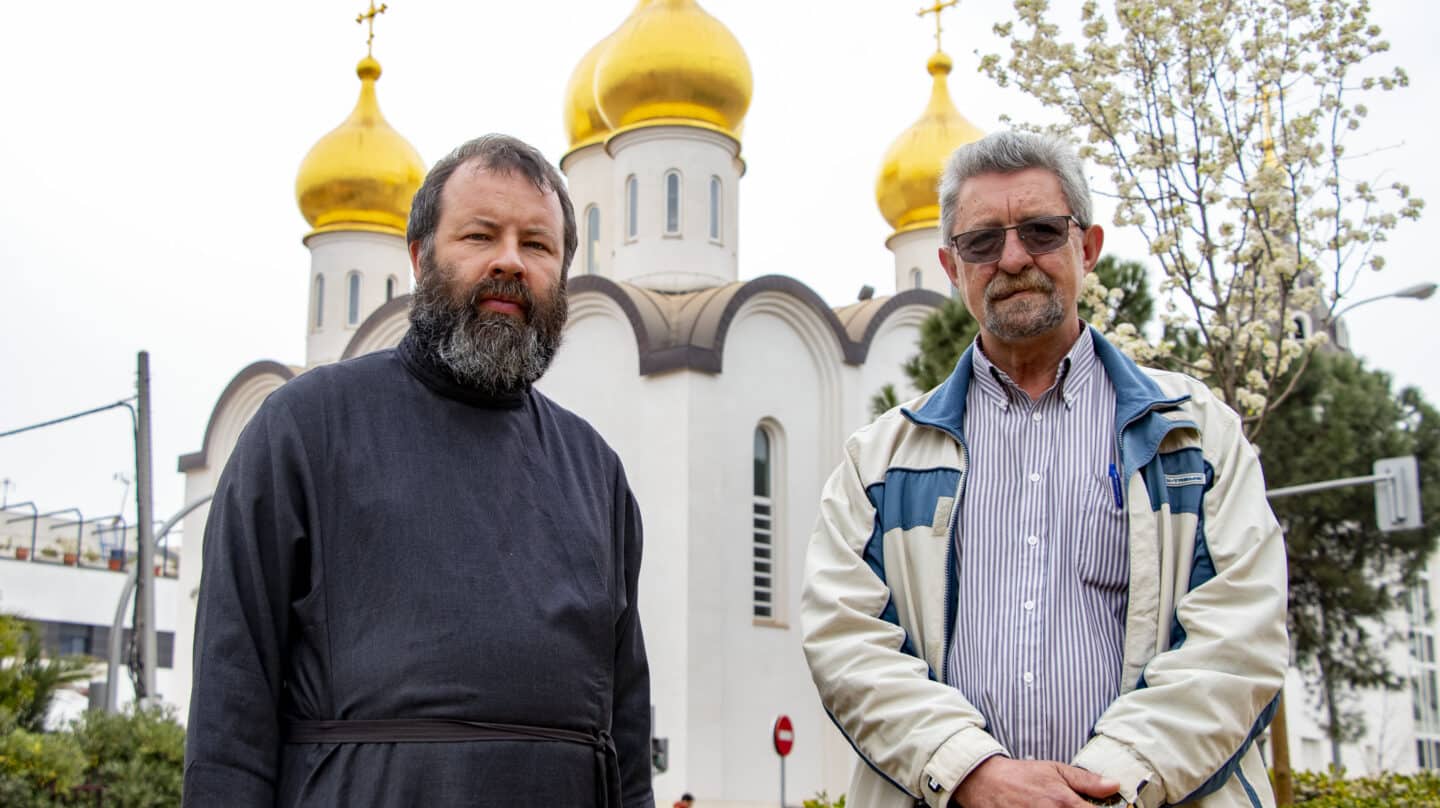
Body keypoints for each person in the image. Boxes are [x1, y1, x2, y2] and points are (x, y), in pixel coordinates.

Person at [801, 131, 1287, 808]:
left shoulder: (1195, 437)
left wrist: (1108, 786)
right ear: (951, 265)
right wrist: (973, 772)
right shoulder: (881, 461)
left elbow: (1240, 635)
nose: (1013, 258)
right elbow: (846, 641)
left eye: (1040, 231)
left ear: (1087, 248)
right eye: (981, 242)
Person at [184, 134, 653, 807]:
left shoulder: (594, 471)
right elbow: (232, 705)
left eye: (538, 245)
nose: (510, 262)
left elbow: (627, 730)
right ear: (418, 257)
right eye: (480, 236)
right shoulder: (304, 429)